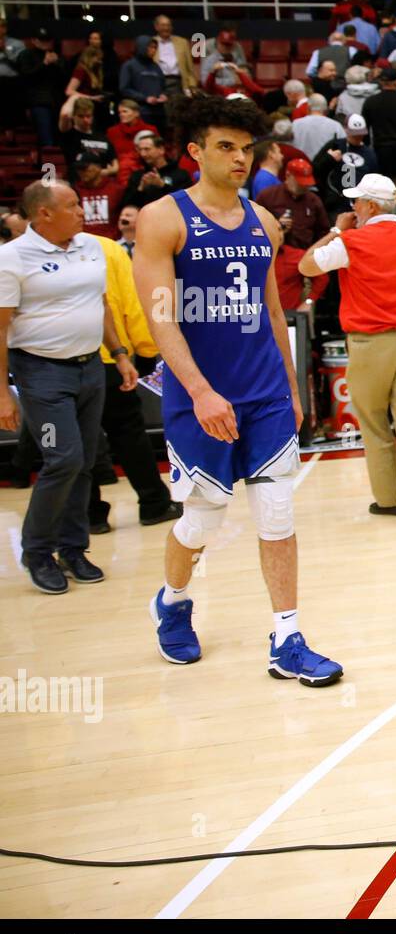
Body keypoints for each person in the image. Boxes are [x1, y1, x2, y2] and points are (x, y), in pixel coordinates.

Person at [131, 94, 342, 685]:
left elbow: (273, 310)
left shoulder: (265, 221)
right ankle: (172, 601)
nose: (240, 158)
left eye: (247, 148)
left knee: (277, 513)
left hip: (265, 394)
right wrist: (198, 390)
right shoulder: (162, 218)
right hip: (198, 396)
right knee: (203, 517)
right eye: (226, 147)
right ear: (196, 151)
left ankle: (287, 637)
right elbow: (161, 317)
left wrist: (293, 386)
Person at [0, 180, 137, 594]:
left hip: (90, 367)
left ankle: (73, 548)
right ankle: (37, 552)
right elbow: (0, 327)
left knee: (87, 459)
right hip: (41, 373)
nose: (82, 211)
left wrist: (121, 352)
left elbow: (100, 303)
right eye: (73, 205)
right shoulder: (11, 258)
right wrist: (2, 392)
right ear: (44, 213)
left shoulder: (91, 247)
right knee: (63, 458)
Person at [299, 172, 396, 524]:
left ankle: (387, 499)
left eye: (356, 202)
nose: (352, 208)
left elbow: (306, 264)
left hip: (369, 344)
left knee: (374, 423)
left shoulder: (351, 242)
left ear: (369, 206)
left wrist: (338, 229)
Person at [86, 233, 182, 533]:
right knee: (128, 433)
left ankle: (90, 514)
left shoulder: (20, 252)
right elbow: (132, 302)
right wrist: (144, 350)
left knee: (79, 442)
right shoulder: (106, 247)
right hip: (109, 360)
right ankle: (153, 502)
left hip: (70, 361)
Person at [255, 158, 330, 311]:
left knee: (303, 313)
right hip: (274, 260)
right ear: (288, 176)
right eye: (300, 182)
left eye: (307, 183)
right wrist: (277, 224)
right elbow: (254, 225)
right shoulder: (268, 196)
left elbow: (323, 232)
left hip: (303, 263)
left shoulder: (313, 201)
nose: (304, 186)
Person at [313, 113, 381, 215]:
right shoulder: (335, 145)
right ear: (346, 130)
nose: (358, 137)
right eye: (354, 134)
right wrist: (329, 159)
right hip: (335, 203)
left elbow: (374, 179)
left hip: (359, 204)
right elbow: (315, 170)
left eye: (360, 133)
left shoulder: (369, 153)